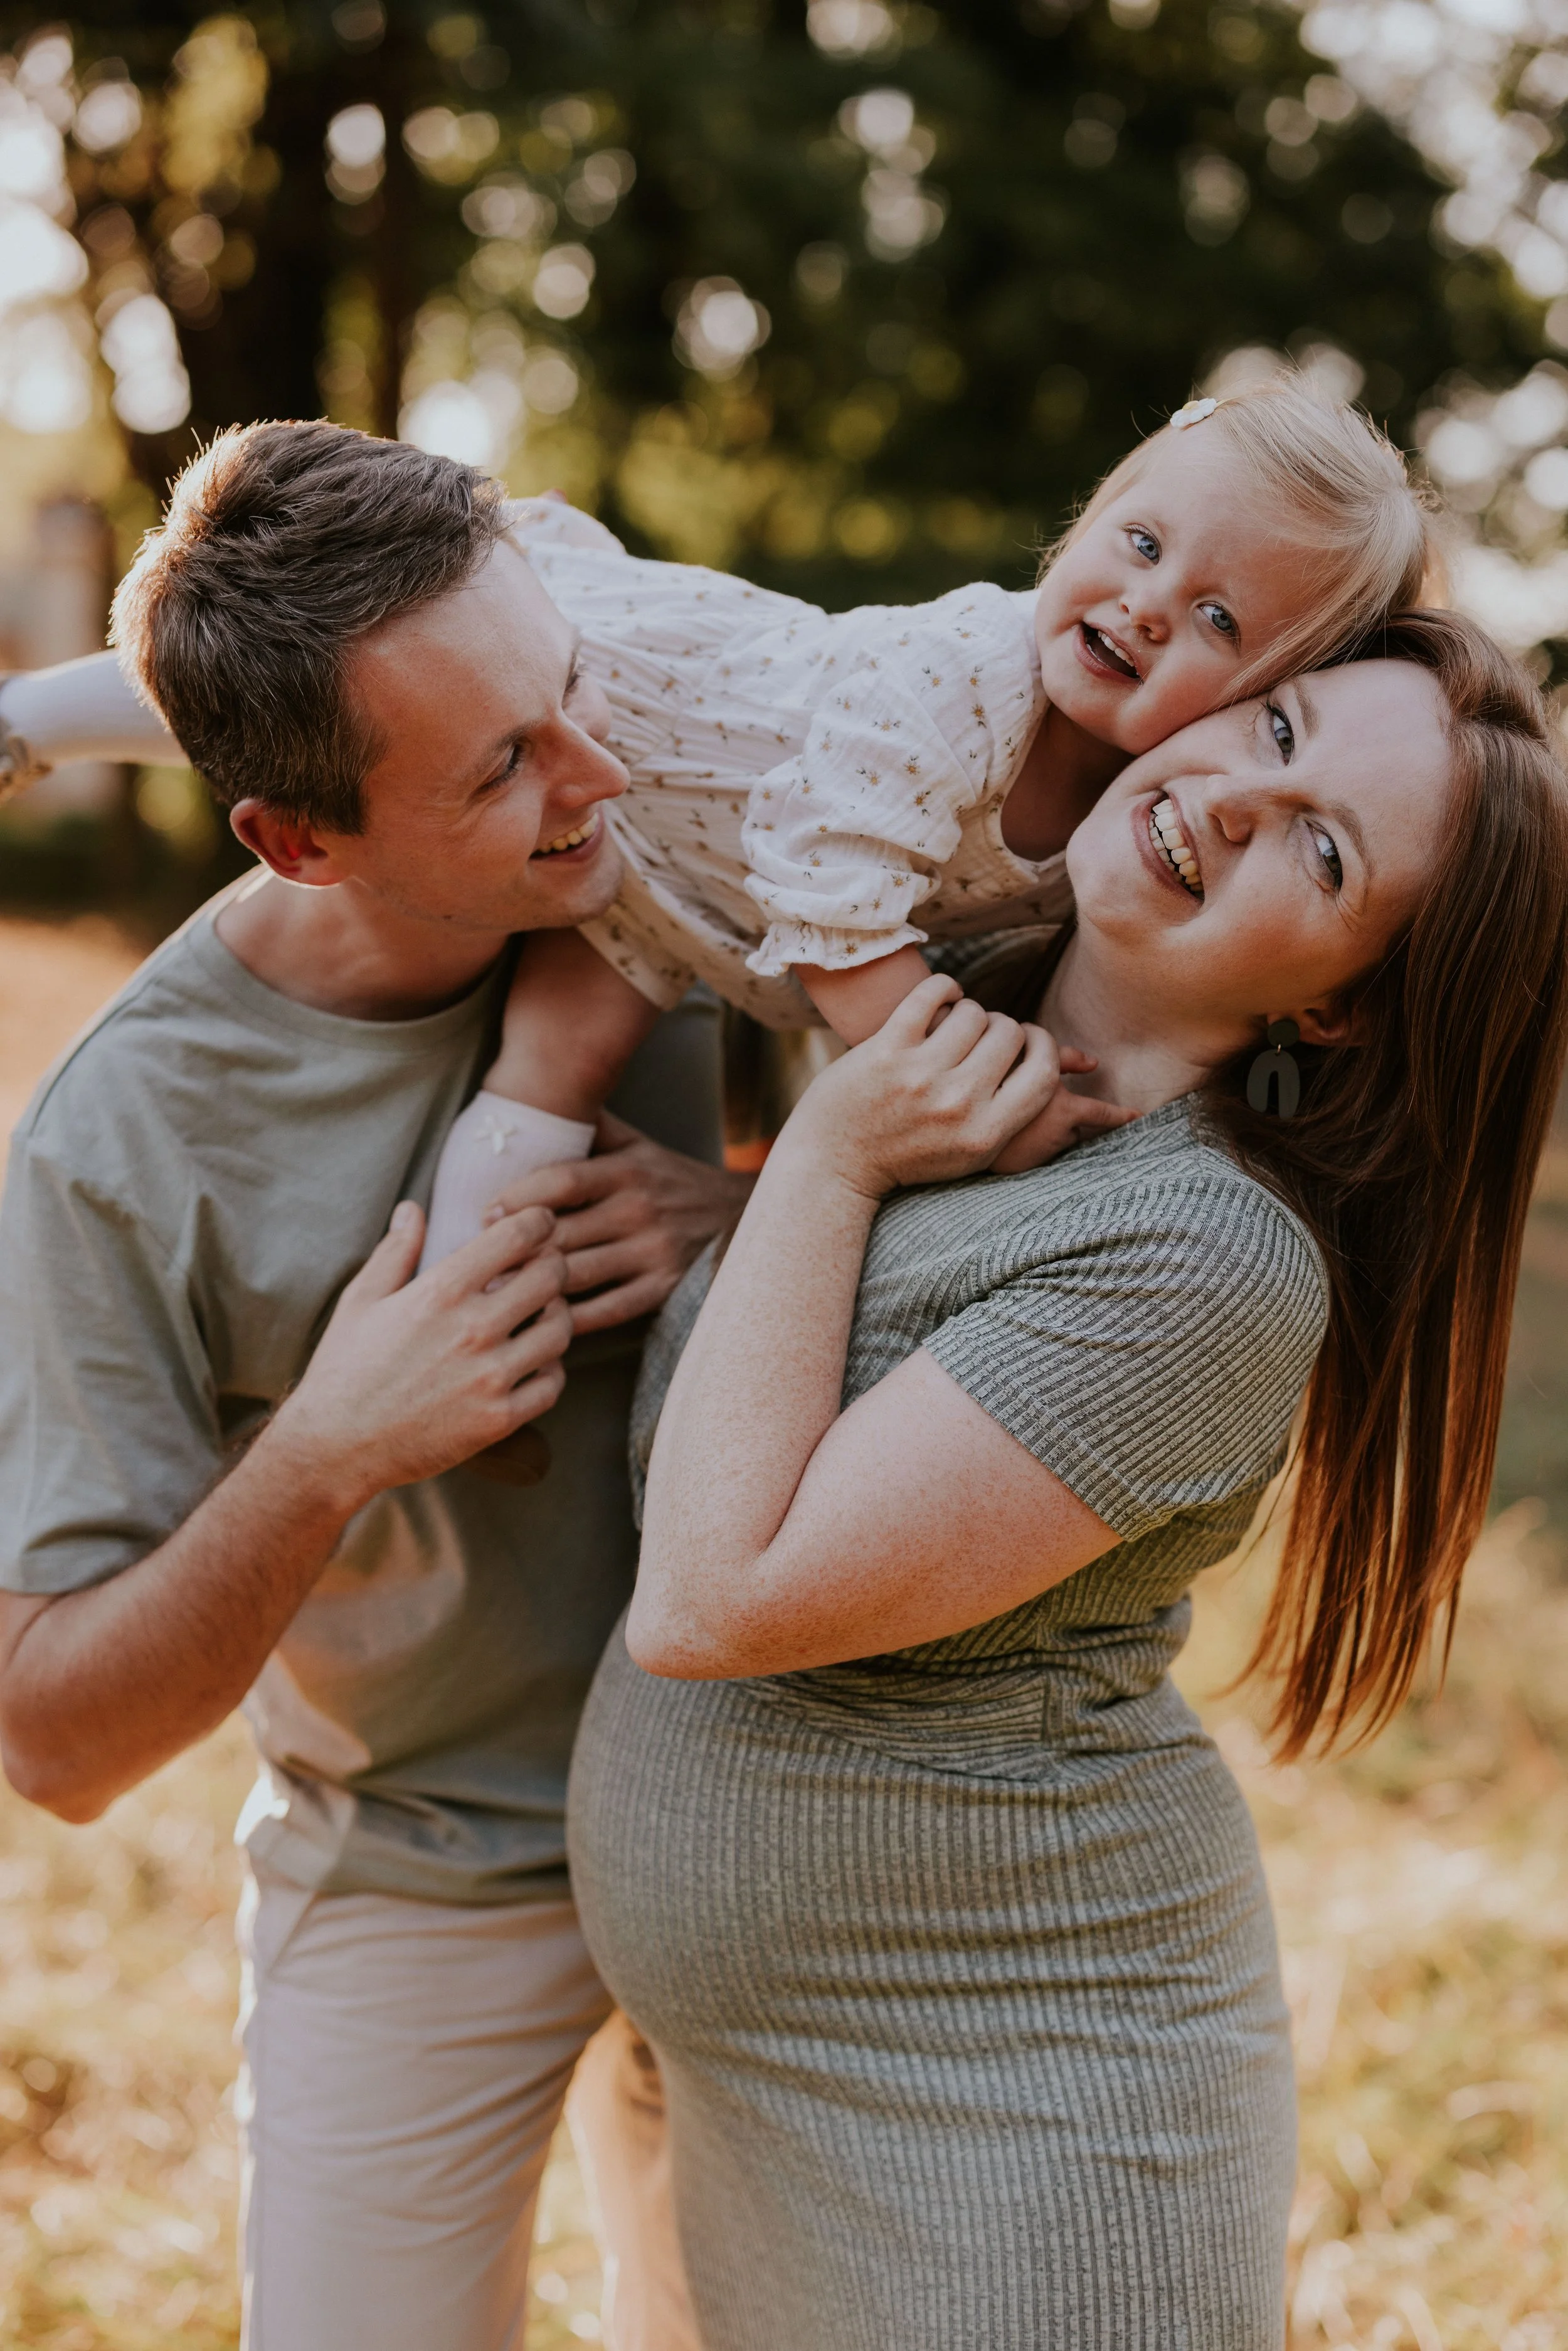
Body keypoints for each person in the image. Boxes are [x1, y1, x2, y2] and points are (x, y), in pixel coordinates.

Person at [566, 611, 1568, 2350]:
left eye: (1322, 850)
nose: (1239, 801)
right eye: (1278, 731)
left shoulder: (1208, 1257)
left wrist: (823, 1147)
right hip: (743, 2088)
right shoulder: (955, 1012)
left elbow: (717, 1594)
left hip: (1019, 2144)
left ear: (1331, 1000)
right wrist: (751, 1213)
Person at [0, 432, 748, 2351]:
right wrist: (330, 1443)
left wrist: (745, 1215)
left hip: (773, 1818)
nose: (599, 773)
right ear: (295, 837)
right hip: (421, 1860)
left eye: (565, 691)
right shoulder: (117, 1149)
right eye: (504, 764)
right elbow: (54, 1737)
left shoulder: (664, 826)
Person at [401, 376, 1434, 1244]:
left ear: (1264, 691)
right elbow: (828, 885)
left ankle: (480, 1324)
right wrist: (980, 1101)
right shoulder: (969, 674)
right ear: (1092, 513)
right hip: (619, 716)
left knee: (552, 1069)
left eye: (1219, 618)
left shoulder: (1132, 826)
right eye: (1142, 541)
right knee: (408, 721)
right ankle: (447, 1308)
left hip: (679, 887)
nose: (1148, 606)